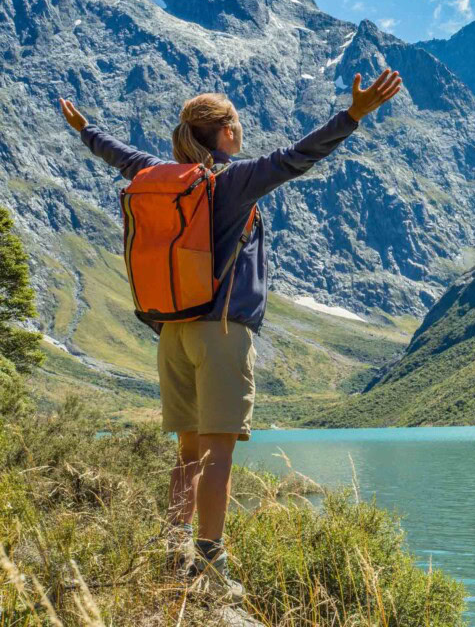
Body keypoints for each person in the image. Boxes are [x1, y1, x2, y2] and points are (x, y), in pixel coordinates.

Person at [58, 69, 401, 603]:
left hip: (172, 332)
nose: (241, 132)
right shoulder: (232, 181)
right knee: (218, 457)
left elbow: (121, 156)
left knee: (187, 455)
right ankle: (212, 564)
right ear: (227, 133)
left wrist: (86, 131)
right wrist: (352, 116)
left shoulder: (160, 173)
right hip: (220, 331)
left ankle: (174, 550)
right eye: (236, 124)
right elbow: (297, 157)